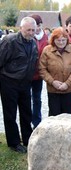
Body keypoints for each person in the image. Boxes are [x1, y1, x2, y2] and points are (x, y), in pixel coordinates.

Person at [0, 17, 38, 153]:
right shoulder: (9, 41)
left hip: (25, 83)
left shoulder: (33, 43)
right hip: (9, 82)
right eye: (28, 30)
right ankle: (14, 142)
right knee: (10, 113)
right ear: (21, 28)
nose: (31, 32)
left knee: (26, 112)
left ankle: (28, 139)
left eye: (33, 30)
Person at [39, 27, 71, 116]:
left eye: (63, 40)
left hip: (69, 89)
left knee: (68, 114)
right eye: (58, 40)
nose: (61, 42)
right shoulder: (47, 50)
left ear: (67, 39)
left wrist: (67, 83)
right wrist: (52, 81)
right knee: (54, 114)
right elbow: (42, 68)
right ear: (53, 40)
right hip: (53, 89)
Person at [28, 14, 49, 129]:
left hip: (39, 74)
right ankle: (27, 121)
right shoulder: (28, 36)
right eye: (36, 25)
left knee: (37, 99)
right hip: (27, 74)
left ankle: (36, 122)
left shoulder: (46, 38)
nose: (38, 28)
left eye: (39, 25)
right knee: (26, 99)